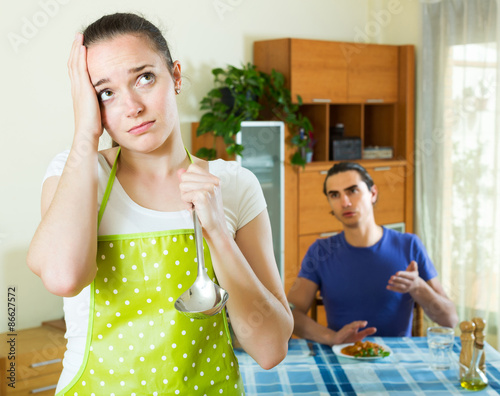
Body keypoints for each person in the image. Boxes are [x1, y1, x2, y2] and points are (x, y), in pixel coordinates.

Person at [27, 13, 293, 394]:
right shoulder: (79, 173)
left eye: (144, 78)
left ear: (177, 77)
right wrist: (85, 130)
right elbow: (63, 277)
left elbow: (270, 349)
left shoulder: (233, 184)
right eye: (106, 93)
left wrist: (217, 231)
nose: (132, 106)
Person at [287, 162, 458, 346]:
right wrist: (330, 337)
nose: (345, 202)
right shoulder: (320, 251)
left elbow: (449, 320)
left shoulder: (409, 245)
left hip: (397, 361)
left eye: (352, 191)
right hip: (342, 356)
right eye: (335, 195)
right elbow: (290, 314)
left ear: (373, 193)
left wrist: (418, 287)